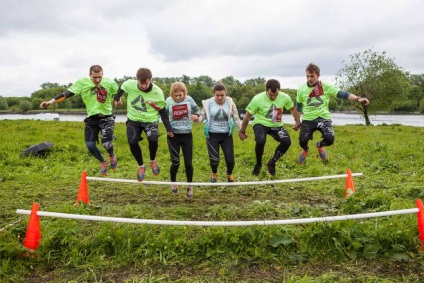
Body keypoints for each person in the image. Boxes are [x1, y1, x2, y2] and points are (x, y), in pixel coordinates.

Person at [40, 65, 119, 176]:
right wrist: (50, 102)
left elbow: (117, 94)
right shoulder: (82, 82)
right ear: (89, 75)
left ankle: (111, 155)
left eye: (99, 77)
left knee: (106, 144)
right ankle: (103, 162)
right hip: (92, 118)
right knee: (90, 145)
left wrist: (117, 100)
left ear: (103, 75)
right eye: (94, 77)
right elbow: (66, 94)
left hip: (106, 117)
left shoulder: (110, 83)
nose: (97, 80)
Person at [296, 63, 370, 164]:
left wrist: (358, 98)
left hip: (323, 118)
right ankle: (305, 149)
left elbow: (342, 94)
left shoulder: (325, 86)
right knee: (302, 140)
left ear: (318, 75)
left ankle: (319, 145)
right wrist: (297, 121)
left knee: (330, 139)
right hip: (308, 119)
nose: (309, 79)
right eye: (307, 76)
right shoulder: (301, 89)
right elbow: (299, 106)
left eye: (312, 76)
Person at [114, 67, 173, 182]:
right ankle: (141, 166)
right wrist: (117, 97)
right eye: (141, 83)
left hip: (150, 120)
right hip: (133, 119)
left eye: (146, 83)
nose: (143, 86)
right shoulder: (129, 84)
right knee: (132, 142)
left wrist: (168, 128)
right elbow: (121, 87)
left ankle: (152, 160)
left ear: (150, 80)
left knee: (153, 139)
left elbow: (163, 111)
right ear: (137, 80)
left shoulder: (157, 92)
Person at [239, 79, 301, 176]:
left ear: (278, 91)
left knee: (286, 141)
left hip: (276, 124)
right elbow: (247, 115)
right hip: (261, 124)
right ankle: (258, 164)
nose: (273, 97)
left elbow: (293, 109)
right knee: (260, 141)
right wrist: (242, 131)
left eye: (275, 95)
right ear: (266, 90)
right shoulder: (257, 98)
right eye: (271, 95)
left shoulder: (285, 97)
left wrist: (298, 122)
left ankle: (271, 163)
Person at [194, 82, 242, 183]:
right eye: (217, 95)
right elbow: (202, 116)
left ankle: (229, 174)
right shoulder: (208, 103)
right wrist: (197, 119)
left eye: (222, 95)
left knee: (230, 160)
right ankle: (214, 173)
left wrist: (241, 131)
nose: (220, 98)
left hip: (226, 135)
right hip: (212, 135)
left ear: (225, 94)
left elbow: (236, 118)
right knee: (214, 159)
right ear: (214, 94)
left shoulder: (230, 103)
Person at [166, 82, 201, 200]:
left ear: (184, 93)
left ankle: (190, 186)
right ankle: (173, 182)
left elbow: (198, 111)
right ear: (172, 94)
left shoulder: (189, 100)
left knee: (188, 163)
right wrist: (168, 129)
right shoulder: (168, 101)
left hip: (187, 135)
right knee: (175, 162)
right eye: (175, 95)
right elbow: (163, 116)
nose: (178, 98)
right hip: (173, 136)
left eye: (180, 95)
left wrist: (196, 116)